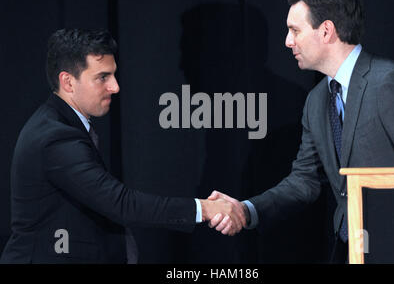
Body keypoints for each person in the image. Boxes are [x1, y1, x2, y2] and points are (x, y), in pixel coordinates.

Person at [208, 0, 394, 263]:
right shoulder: (317, 100)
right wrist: (247, 209)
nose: (288, 41)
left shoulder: (388, 84)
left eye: (295, 30)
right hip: (349, 251)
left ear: (326, 31)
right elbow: (304, 182)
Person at [0, 29, 244, 264]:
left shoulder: (60, 125)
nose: (115, 87)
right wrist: (206, 208)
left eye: (113, 75)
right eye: (102, 77)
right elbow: (122, 204)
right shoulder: (56, 137)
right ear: (68, 82)